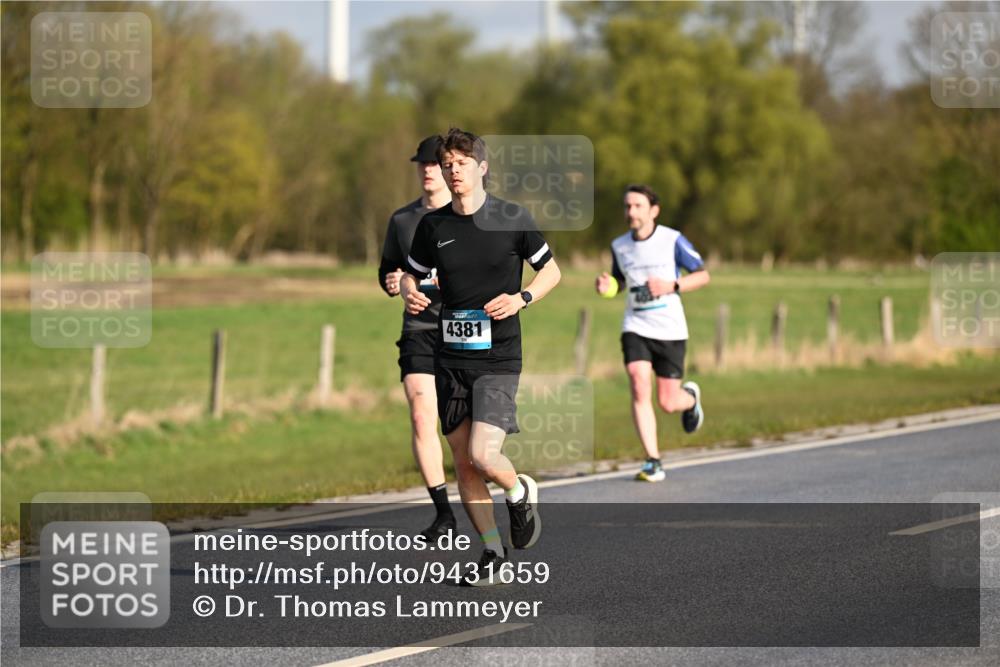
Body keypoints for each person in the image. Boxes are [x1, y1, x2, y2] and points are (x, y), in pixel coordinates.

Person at [400, 128, 561, 586]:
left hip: (499, 358)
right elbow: (410, 277)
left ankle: (517, 489)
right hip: (450, 357)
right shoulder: (433, 227)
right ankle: (492, 551)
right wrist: (411, 294)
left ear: (481, 168)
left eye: (461, 164)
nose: (453, 172)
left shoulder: (512, 218)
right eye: (447, 164)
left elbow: (552, 270)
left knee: (484, 454)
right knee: (464, 463)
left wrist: (522, 298)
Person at [595, 184, 710, 482]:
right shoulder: (619, 245)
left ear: (653, 211)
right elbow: (621, 282)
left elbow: (702, 275)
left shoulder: (672, 240)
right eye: (627, 206)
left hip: (670, 328)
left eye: (637, 206)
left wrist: (672, 286)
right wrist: (608, 287)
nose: (631, 212)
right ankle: (653, 461)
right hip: (636, 325)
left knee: (668, 402)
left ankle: (690, 399)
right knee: (637, 380)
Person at [378, 135, 454, 540]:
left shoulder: (469, 217)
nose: (427, 169)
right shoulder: (402, 220)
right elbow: (387, 271)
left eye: (434, 163)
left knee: (465, 432)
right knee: (423, 414)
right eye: (421, 164)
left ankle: (505, 489)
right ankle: (443, 513)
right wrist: (392, 282)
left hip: (463, 332)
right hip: (419, 330)